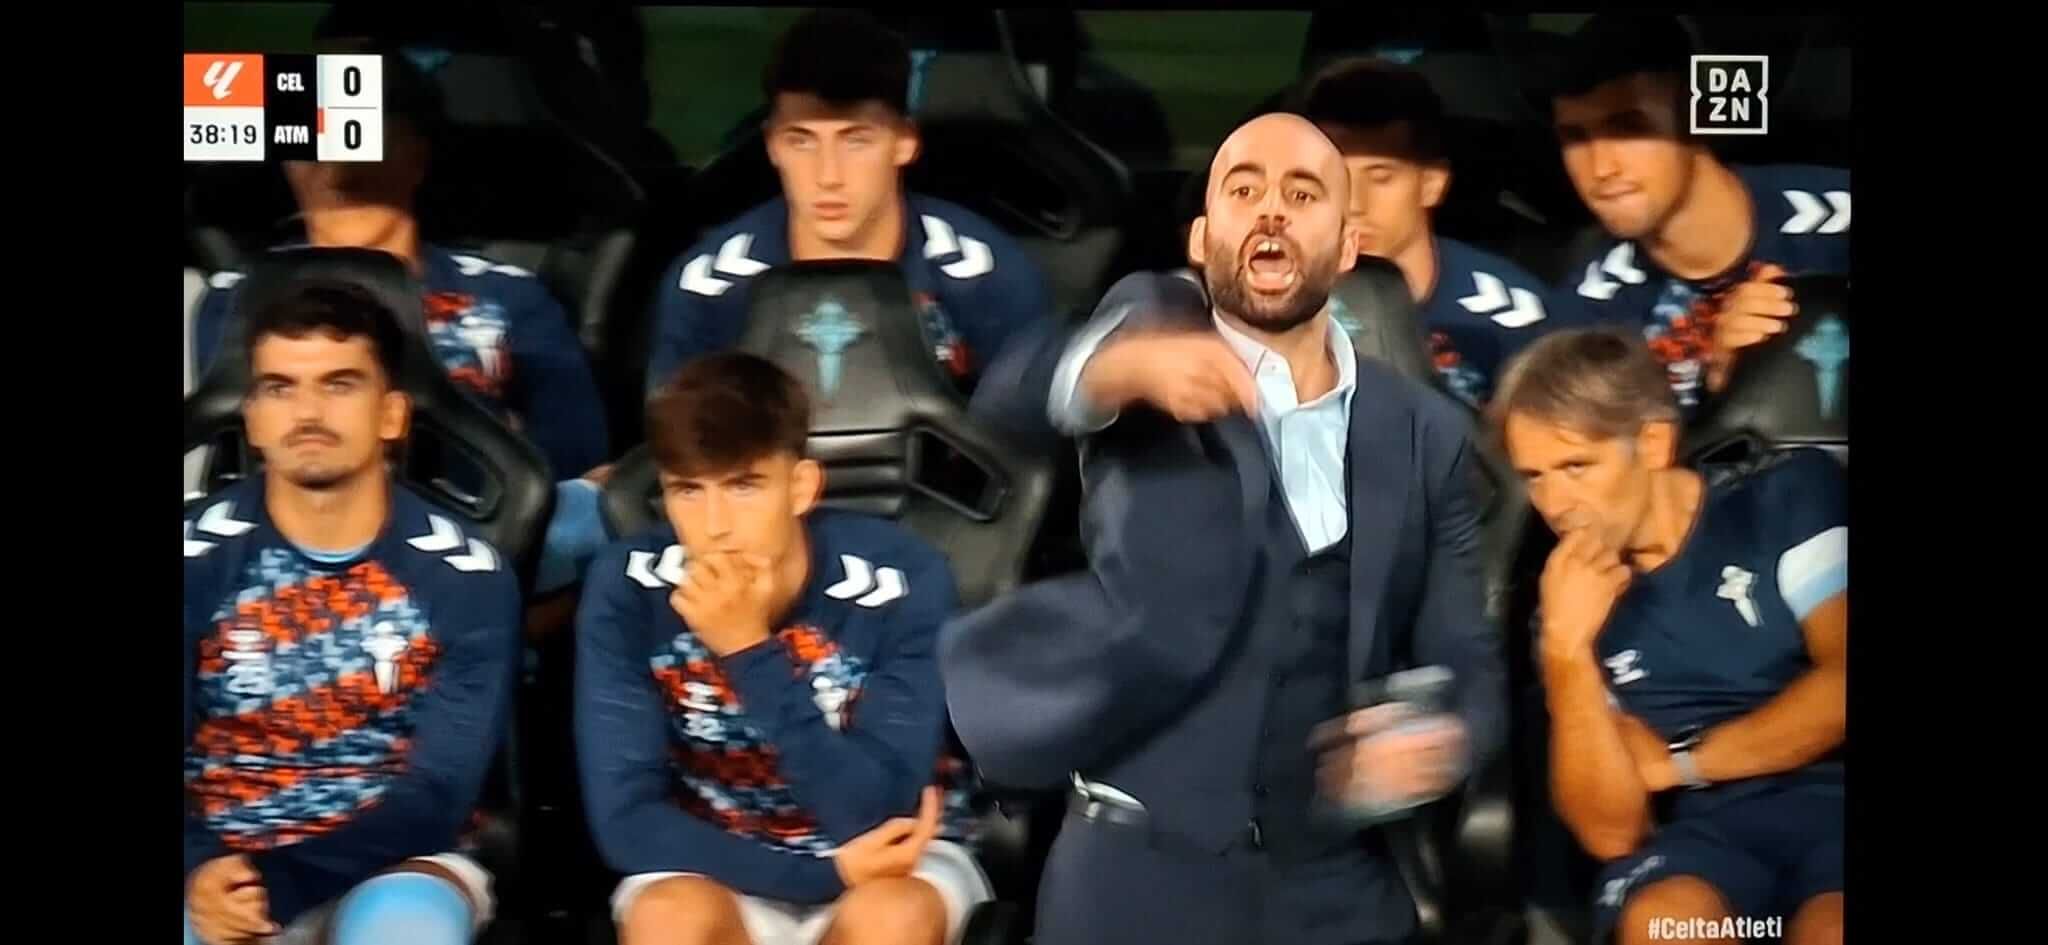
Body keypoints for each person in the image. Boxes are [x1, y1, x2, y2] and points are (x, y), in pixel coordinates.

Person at [940, 114, 1508, 945]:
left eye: (1301, 192)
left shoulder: (1424, 431)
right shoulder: (1152, 317)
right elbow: (1013, 395)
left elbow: (1466, 655)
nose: (1270, 209)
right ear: (1204, 239)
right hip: (1135, 871)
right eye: (1244, 189)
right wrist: (1118, 369)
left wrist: (1440, 734)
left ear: (1348, 246)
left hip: (1331, 882)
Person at [575, 352, 993, 945]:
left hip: (889, 856)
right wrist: (813, 876)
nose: (715, 525)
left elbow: (873, 812)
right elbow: (625, 821)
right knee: (668, 921)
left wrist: (747, 650)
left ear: (800, 486)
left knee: (891, 920)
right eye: (688, 491)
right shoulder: (627, 585)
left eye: (744, 486)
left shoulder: (903, 579)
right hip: (714, 856)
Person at [188, 49, 613, 597]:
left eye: (353, 118)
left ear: (416, 152)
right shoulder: (238, 298)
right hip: (286, 554)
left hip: (480, 544)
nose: (331, 141)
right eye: (310, 127)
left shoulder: (507, 293)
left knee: (600, 509)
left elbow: (575, 463)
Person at [183, 280, 521, 945]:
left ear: (392, 413)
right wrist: (200, 870)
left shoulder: (468, 575)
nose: (307, 412)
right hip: (216, 856)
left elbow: (437, 793)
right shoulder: (192, 557)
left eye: (339, 384)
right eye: (280, 387)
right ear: (250, 416)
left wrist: (277, 884)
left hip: (398, 861)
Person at [1489, 328, 1845, 945]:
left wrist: (1682, 763)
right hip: (1698, 845)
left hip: (1832, 804)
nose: (1555, 502)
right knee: (1668, 927)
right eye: (1535, 477)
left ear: (1652, 443)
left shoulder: (1786, 497)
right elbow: (1610, 831)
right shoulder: (1567, 602)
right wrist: (1567, 653)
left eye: (1576, 466)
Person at [644, 9, 1053, 395]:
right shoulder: (709, 288)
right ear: (771, 146)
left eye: (856, 140)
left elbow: (1029, 451)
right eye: (801, 140)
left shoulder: (985, 278)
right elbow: (679, 454)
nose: (828, 176)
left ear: (905, 143)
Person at [1549, 14, 1850, 414]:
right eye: (1575, 137)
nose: (1601, 167)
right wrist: (1722, 383)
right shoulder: (1586, 317)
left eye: (1628, 128)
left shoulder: (1840, 215)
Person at [1296, 57, 1589, 408]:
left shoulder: (1515, 320)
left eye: (1381, 177)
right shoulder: (1277, 302)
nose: (1354, 204)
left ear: (1431, 183)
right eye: (1336, 176)